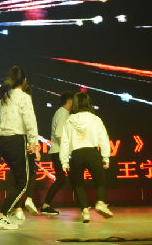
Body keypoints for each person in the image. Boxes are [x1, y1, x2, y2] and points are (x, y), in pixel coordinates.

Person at [0, 66, 39, 231]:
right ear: (24, 80)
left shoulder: (4, 98)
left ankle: (7, 213)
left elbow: (2, 122)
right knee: (22, 182)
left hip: (4, 141)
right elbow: (30, 120)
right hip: (16, 140)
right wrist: (33, 142)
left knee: (18, 180)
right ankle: (1, 215)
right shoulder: (24, 97)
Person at [60, 91, 113, 223]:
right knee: (100, 181)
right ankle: (100, 202)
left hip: (76, 154)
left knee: (78, 184)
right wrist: (105, 157)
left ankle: (85, 211)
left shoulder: (69, 121)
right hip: (92, 153)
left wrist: (64, 162)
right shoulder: (95, 119)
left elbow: (65, 142)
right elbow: (103, 139)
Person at [40, 91, 74, 216]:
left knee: (64, 179)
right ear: (69, 101)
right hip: (59, 151)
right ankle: (45, 205)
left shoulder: (62, 113)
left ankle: (46, 205)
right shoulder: (63, 113)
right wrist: (66, 152)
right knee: (62, 179)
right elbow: (59, 134)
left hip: (59, 151)